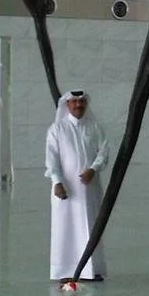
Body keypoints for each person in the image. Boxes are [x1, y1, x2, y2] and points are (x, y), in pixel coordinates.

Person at [45, 90, 109, 283]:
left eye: (81, 101)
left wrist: (93, 169)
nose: (78, 105)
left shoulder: (94, 127)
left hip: (90, 190)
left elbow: (104, 151)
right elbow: (52, 159)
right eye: (74, 102)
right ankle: (65, 271)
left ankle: (92, 270)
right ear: (67, 104)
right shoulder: (57, 129)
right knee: (66, 229)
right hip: (67, 190)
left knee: (91, 227)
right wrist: (57, 181)